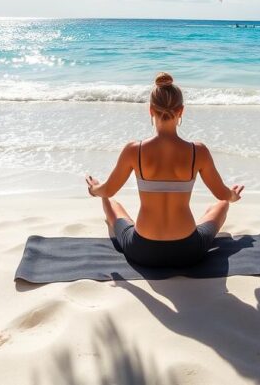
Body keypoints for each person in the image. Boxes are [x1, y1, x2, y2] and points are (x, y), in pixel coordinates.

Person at [85, 72, 244, 267]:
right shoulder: (198, 151)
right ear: (181, 111)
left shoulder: (134, 150)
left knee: (109, 200)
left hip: (142, 250)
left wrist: (94, 189)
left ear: (150, 110)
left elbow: (108, 189)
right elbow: (222, 193)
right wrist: (233, 196)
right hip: (188, 251)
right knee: (222, 205)